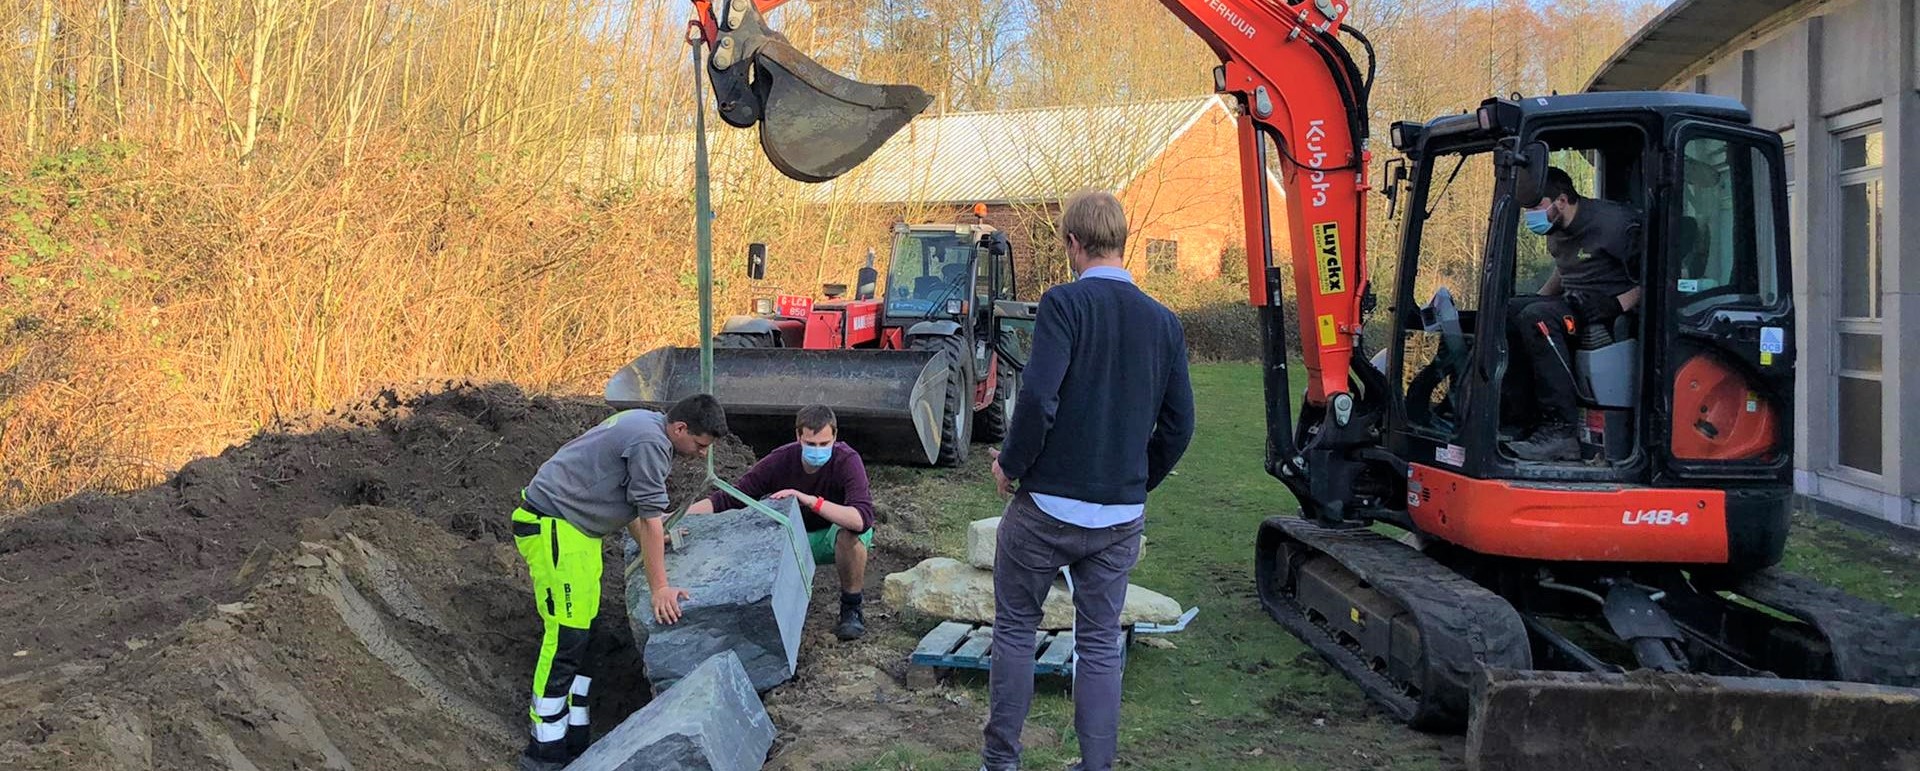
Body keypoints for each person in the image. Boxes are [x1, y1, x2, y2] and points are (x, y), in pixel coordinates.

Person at [981, 189, 1195, 771]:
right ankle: (1095, 767)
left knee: (1017, 629)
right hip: (1118, 517)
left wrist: (1011, 464)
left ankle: (1001, 760)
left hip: (1046, 508)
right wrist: (1135, 482)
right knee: (1100, 643)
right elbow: (1181, 425)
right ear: (1122, 241)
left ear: (1073, 244)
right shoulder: (1164, 322)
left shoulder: (1064, 304)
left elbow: (1038, 400)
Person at [511, 394, 727, 768]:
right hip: (555, 526)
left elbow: (632, 505)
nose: (700, 454)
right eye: (699, 444)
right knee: (566, 636)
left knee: (588, 632)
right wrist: (660, 588)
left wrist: (657, 541)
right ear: (680, 429)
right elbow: (648, 517)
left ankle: (575, 735)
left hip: (578, 531)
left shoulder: (646, 424)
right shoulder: (651, 443)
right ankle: (542, 750)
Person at [684, 403, 876, 640]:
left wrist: (809, 501)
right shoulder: (780, 460)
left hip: (833, 535)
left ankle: (851, 607)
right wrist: (679, 516)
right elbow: (731, 498)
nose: (818, 450)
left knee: (850, 536)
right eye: (810, 444)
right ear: (798, 436)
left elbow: (861, 519)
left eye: (824, 444)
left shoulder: (847, 460)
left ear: (835, 436)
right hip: (795, 537)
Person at [1505, 166, 1645, 462]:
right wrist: (1533, 299)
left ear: (1562, 200)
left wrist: (1616, 304)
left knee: (1538, 318)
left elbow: (1656, 277)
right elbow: (1564, 269)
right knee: (1509, 312)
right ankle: (1517, 417)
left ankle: (1561, 432)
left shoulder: (1615, 225)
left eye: (1535, 207)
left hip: (1607, 310)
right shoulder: (1556, 230)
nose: (1530, 215)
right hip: (1572, 303)